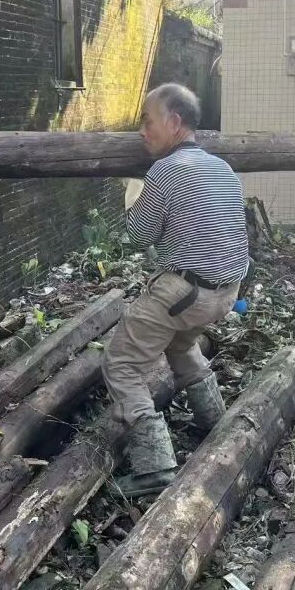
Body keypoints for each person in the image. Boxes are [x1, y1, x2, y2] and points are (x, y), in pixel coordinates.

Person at [107, 83, 250, 497]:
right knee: (182, 345)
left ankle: (155, 467)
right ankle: (215, 421)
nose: (142, 131)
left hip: (186, 293)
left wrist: (134, 193)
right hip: (226, 291)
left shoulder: (166, 170)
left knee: (121, 364)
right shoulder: (222, 168)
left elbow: (138, 235)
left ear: (174, 121)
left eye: (147, 121)